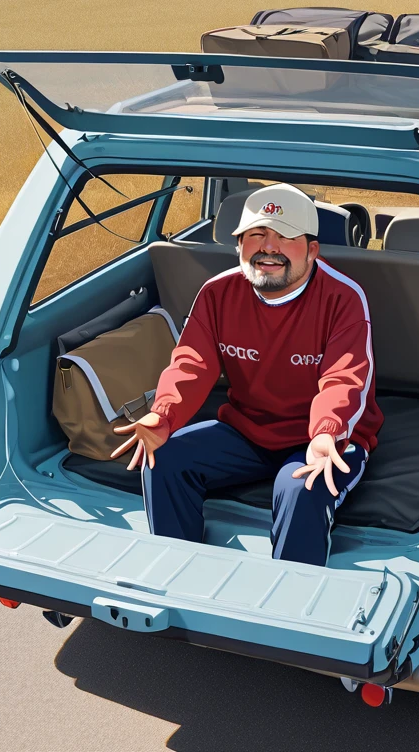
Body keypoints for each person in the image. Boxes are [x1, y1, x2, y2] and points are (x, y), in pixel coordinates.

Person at [111, 183, 382, 566]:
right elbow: (191, 363)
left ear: (312, 249)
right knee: (164, 457)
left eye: (285, 236)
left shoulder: (343, 297)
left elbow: (344, 377)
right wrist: (163, 414)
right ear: (238, 245)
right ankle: (175, 576)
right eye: (257, 234)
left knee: (300, 487)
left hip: (325, 439)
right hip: (248, 430)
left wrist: (326, 433)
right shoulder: (217, 293)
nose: (269, 247)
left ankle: (288, 605)